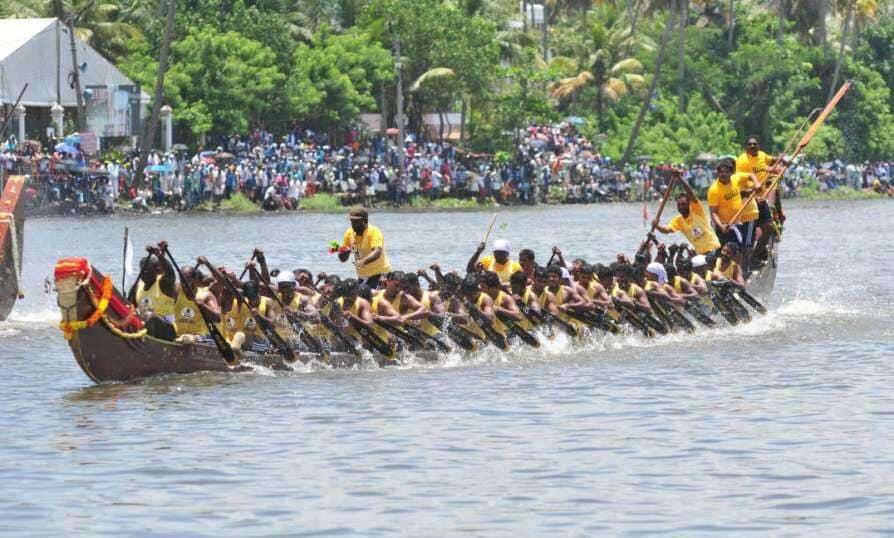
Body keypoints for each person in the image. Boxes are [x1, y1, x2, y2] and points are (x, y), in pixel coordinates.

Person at [653, 176, 720, 255]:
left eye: (683, 204)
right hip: (701, 254)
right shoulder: (678, 221)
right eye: (679, 205)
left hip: (714, 249)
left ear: (689, 204)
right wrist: (657, 226)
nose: (681, 207)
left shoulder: (697, 210)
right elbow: (666, 230)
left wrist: (679, 178)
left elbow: (690, 193)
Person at [338, 207, 392, 289]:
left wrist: (363, 261)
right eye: (352, 221)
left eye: (356, 222)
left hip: (380, 274)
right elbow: (342, 259)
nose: (353, 225)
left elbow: (377, 251)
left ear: (365, 221)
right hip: (362, 276)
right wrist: (345, 253)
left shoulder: (374, 232)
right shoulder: (349, 233)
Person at [707, 158, 744, 250]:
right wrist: (721, 226)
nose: (724, 174)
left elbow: (750, 176)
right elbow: (713, 212)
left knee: (738, 250)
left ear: (731, 173)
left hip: (737, 223)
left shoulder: (735, 179)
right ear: (717, 173)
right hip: (723, 226)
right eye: (721, 172)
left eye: (727, 172)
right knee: (722, 251)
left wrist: (756, 184)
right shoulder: (714, 190)